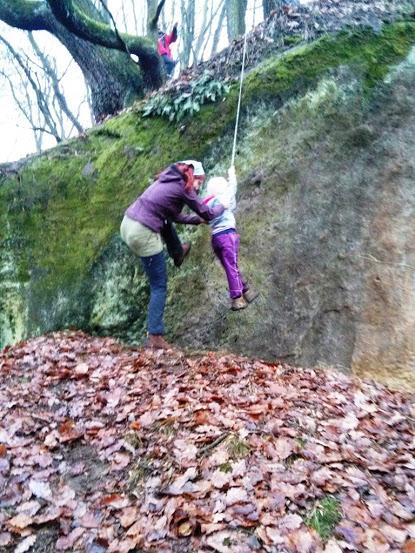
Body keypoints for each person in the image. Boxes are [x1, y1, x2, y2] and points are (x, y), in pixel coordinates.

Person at [120, 161, 225, 350]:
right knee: (159, 285)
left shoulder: (167, 180)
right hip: (143, 232)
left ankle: (177, 253)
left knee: (166, 222)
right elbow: (209, 213)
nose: (198, 187)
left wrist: (196, 220)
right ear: (193, 176)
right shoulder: (183, 187)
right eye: (199, 182)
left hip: (127, 224)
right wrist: (223, 206)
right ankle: (155, 336)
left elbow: (173, 216)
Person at [203, 166, 258, 311]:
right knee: (232, 266)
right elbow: (232, 190)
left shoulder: (207, 203)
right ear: (221, 188)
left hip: (216, 237)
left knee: (230, 266)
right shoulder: (221, 199)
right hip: (227, 235)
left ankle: (246, 291)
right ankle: (237, 298)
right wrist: (231, 175)